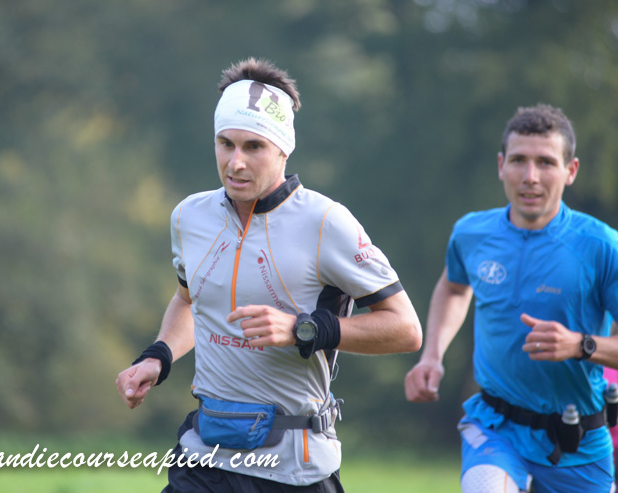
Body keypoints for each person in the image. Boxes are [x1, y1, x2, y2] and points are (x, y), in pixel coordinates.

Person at [116, 57, 423, 492]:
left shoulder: (326, 221)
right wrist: (158, 356)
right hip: (204, 457)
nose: (235, 163)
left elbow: (406, 329)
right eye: (225, 143)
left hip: (294, 467)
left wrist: (303, 329)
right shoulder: (189, 216)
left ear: (283, 148)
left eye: (253, 147)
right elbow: (190, 300)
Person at [404, 104, 618, 493]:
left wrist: (580, 345)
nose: (530, 176)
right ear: (501, 165)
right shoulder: (471, 233)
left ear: (570, 171)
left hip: (578, 441)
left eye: (546, 162)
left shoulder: (602, 246)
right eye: (519, 160)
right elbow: (454, 287)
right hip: (494, 427)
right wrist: (432, 355)